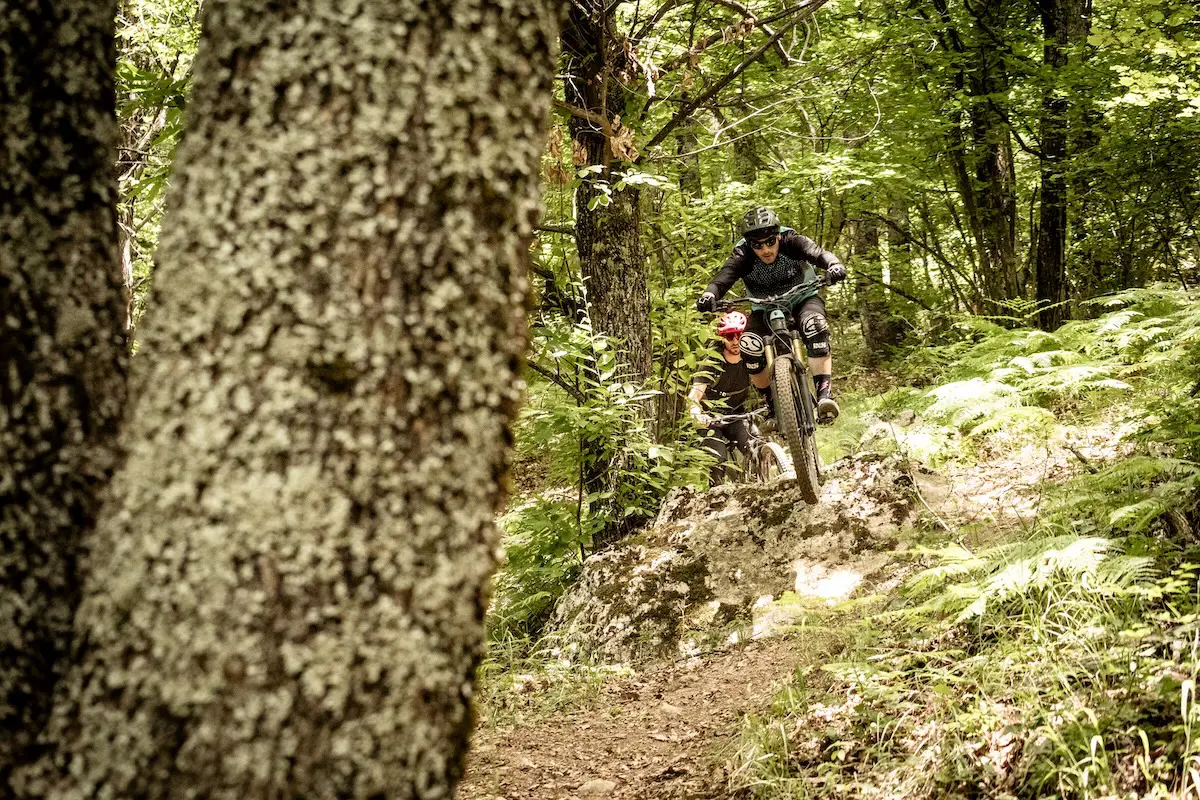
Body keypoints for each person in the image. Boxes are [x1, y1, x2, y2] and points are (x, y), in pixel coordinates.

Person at [696, 206, 846, 422]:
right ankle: (773, 404)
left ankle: (824, 396)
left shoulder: (791, 240)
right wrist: (709, 295)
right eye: (757, 245)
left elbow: (817, 252)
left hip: (802, 298)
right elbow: (725, 276)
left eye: (770, 242)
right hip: (764, 308)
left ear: (777, 236)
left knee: (815, 326)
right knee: (749, 345)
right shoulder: (743, 253)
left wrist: (833, 264)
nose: (765, 249)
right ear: (750, 244)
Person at [688, 311, 755, 483]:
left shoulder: (751, 357)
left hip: (737, 415)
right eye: (730, 336)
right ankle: (717, 498)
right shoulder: (712, 362)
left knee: (754, 446)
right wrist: (696, 414)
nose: (735, 341)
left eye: (739, 335)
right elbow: (694, 396)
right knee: (717, 460)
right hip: (710, 419)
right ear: (722, 338)